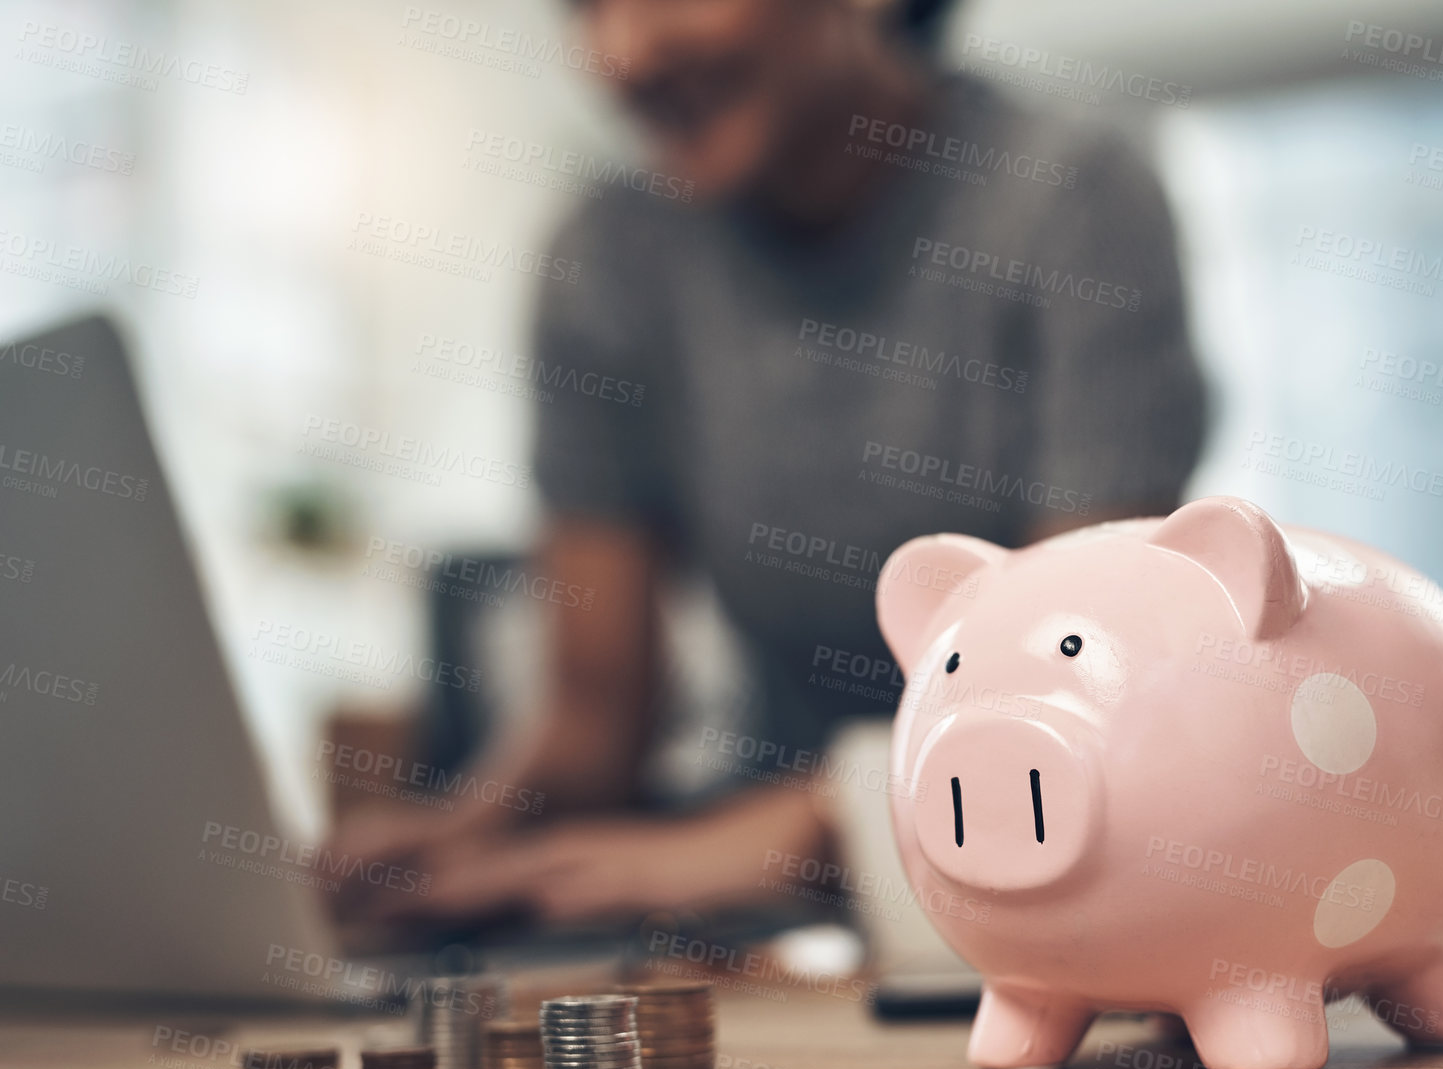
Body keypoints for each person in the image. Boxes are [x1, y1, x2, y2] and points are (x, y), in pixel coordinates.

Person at [330, 0, 1206, 928]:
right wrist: (461, 838)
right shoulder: (609, 257)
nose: (617, 54)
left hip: (1051, 868)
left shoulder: (1071, 198)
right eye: (583, 7)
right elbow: (593, 716)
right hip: (782, 899)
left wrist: (790, 832)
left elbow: (1067, 679)